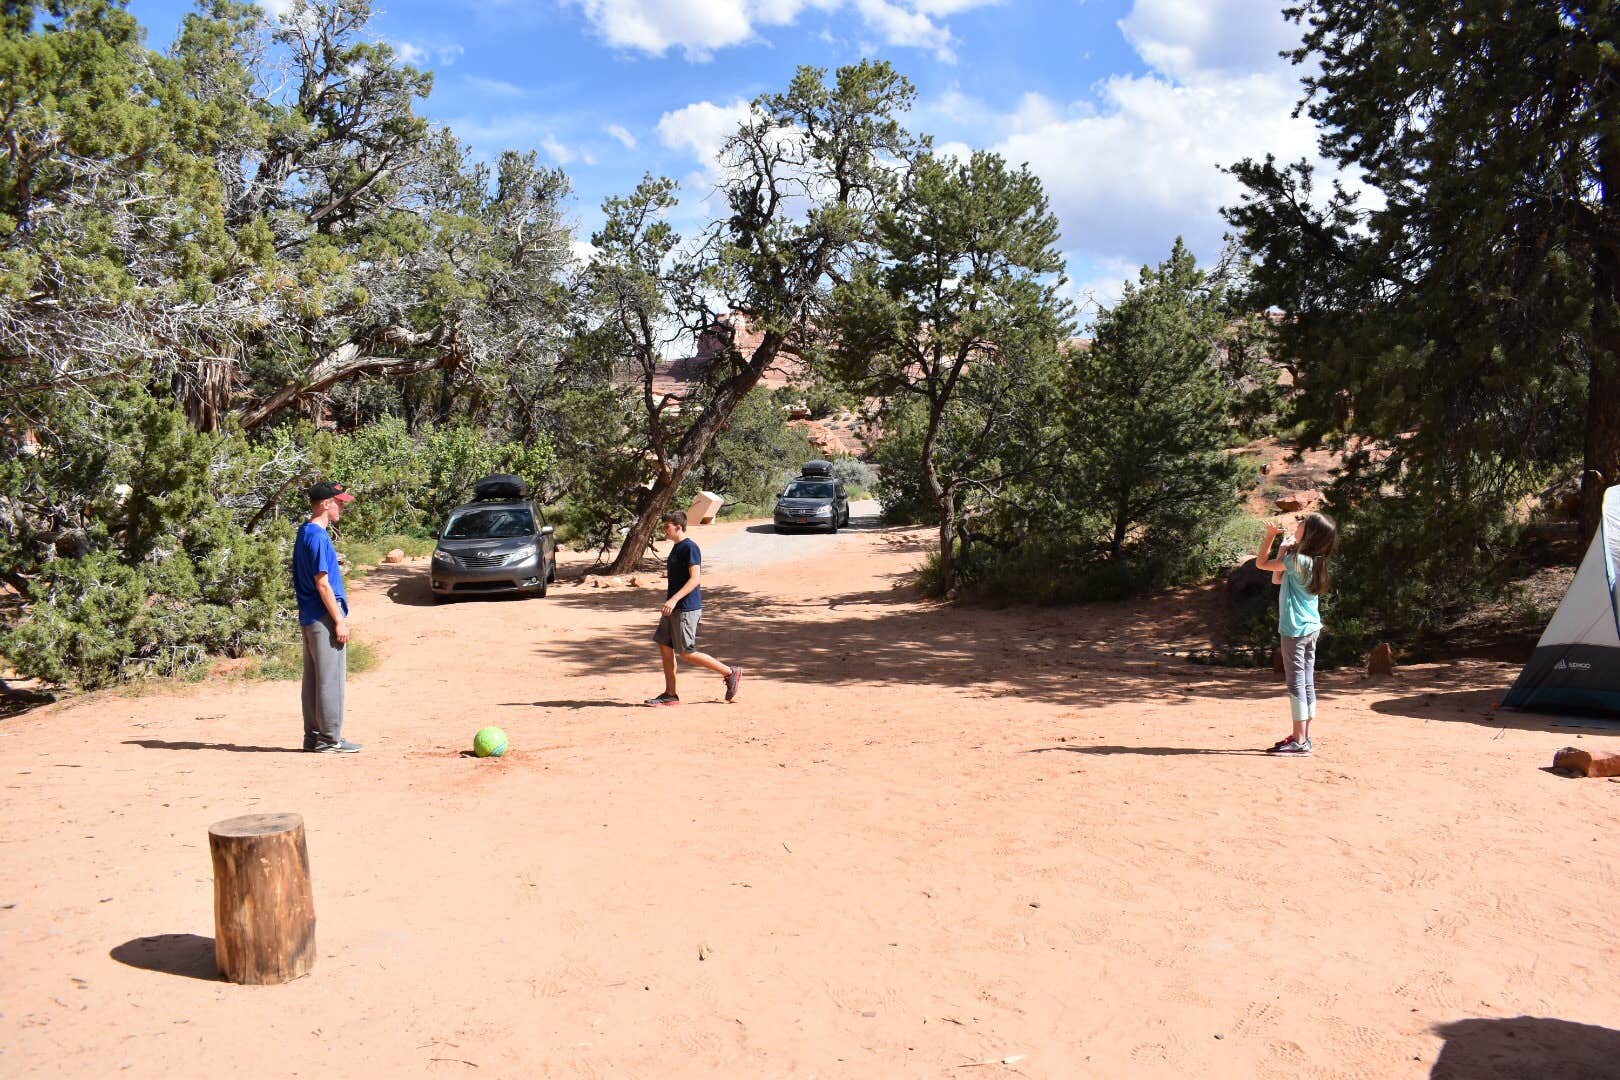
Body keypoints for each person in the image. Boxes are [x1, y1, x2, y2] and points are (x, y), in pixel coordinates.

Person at [1255, 512, 1338, 756]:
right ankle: (1304, 737)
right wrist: (1283, 549)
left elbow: (1261, 564)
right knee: (1307, 681)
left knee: (1296, 683)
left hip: (1295, 630)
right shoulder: (1314, 560)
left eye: (1302, 523)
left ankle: (1299, 741)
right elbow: (1277, 580)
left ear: (1309, 533)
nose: (1298, 524)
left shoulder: (1297, 560)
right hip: (1311, 628)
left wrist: (1270, 538)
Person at [645, 510, 741, 706]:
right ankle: (670, 694)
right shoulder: (676, 547)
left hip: (686, 608)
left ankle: (730, 673)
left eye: (667, 527)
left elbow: (695, 578)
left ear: (678, 527)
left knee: (687, 652)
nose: (665, 530)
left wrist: (674, 599)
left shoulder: (690, 547)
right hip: (673, 608)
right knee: (664, 646)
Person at [293, 481, 362, 753]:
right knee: (330, 679)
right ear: (325, 504)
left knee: (313, 680)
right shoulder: (319, 537)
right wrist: (339, 620)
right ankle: (330, 738)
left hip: (309, 616)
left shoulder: (304, 532)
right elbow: (323, 583)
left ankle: (313, 737)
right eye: (339, 502)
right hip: (323, 616)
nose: (342, 506)